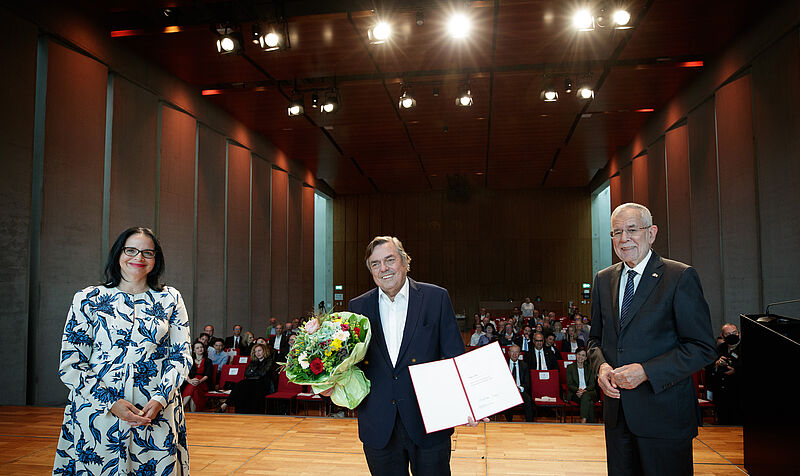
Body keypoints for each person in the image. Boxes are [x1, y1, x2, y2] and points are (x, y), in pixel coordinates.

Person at [588, 203, 716, 475]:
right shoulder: (603, 280)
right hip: (618, 417)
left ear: (652, 233)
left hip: (665, 417)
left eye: (632, 230)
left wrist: (646, 372)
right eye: (617, 232)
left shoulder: (679, 276)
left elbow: (702, 347)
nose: (624, 238)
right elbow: (594, 340)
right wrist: (601, 367)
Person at [53, 226, 191, 475]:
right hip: (98, 412)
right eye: (131, 250)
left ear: (156, 259)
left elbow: (180, 356)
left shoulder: (170, 298)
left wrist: (160, 398)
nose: (139, 257)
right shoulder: (88, 298)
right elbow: (71, 364)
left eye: (148, 253)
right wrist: (110, 403)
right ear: (118, 253)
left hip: (154, 412)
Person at [349, 236, 483, 476]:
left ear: (404, 261)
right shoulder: (358, 308)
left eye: (390, 260)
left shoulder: (436, 298)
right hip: (378, 425)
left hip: (429, 422)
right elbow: (352, 365)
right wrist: (329, 383)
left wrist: (468, 403)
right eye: (376, 264)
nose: (384, 268)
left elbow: (454, 355)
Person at [219, 343, 274, 414]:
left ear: (264, 351)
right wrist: (255, 373)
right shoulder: (253, 362)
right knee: (241, 386)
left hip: (264, 384)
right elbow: (246, 373)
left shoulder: (269, 361)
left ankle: (226, 404)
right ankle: (238, 411)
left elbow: (263, 373)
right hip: (253, 383)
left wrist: (253, 372)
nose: (257, 353)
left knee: (242, 384)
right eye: (255, 351)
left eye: (259, 351)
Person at [707, 323, 742, 424]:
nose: (732, 335)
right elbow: (709, 366)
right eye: (728, 334)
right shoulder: (719, 348)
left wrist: (736, 370)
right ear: (722, 336)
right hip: (722, 394)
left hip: (739, 394)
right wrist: (717, 364)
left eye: (734, 333)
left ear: (739, 334)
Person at [566, 347, 598, 423]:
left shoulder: (589, 368)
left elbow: (592, 384)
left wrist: (584, 391)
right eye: (579, 354)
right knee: (589, 403)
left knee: (585, 395)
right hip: (575, 393)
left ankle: (583, 420)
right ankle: (590, 423)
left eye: (583, 355)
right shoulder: (570, 367)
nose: (580, 357)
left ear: (586, 358)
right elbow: (570, 384)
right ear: (576, 355)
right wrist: (578, 390)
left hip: (589, 392)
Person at [503, 345, 534, 422]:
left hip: (520, 390)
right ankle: (509, 421)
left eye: (516, 352)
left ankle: (530, 423)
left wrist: (519, 389)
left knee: (528, 399)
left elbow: (527, 383)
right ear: (509, 353)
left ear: (519, 353)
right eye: (512, 352)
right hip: (507, 390)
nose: (514, 354)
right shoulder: (504, 364)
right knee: (506, 399)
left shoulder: (524, 365)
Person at [182, 341, 214, 412]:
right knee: (194, 389)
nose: (200, 349)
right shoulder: (190, 361)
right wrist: (190, 381)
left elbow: (207, 375)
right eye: (197, 348)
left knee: (193, 387)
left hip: (203, 383)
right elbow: (185, 373)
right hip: (191, 382)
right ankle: (193, 413)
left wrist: (199, 381)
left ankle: (182, 408)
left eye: (201, 347)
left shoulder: (208, 361)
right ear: (194, 350)